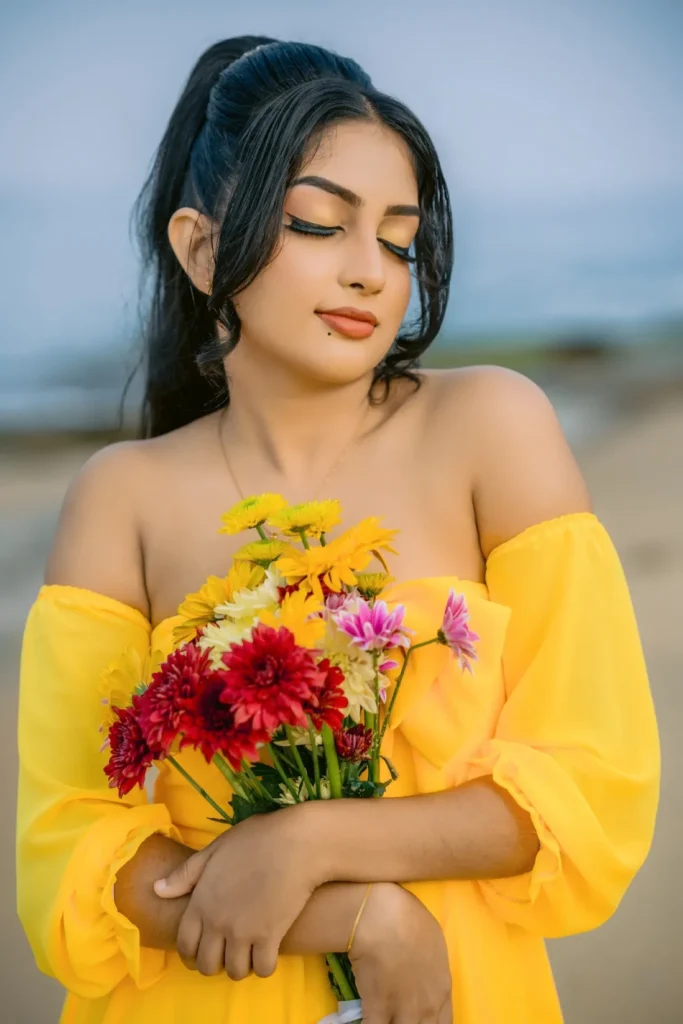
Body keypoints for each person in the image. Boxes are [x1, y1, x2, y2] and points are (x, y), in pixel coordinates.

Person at [16, 36, 659, 1024]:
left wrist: (308, 842)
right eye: (319, 224)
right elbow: (70, 859)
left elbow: (589, 785)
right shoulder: (121, 496)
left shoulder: (491, 428)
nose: (369, 272)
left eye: (397, 240)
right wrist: (362, 915)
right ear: (198, 248)